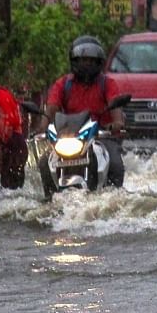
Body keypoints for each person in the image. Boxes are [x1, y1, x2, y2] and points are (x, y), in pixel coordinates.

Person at [35, 35, 125, 197]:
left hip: (101, 137)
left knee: (116, 165)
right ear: (74, 61)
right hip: (69, 137)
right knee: (44, 163)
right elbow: (52, 108)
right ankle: (50, 200)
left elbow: (116, 106)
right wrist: (42, 127)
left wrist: (116, 123)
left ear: (99, 62)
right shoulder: (63, 84)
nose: (87, 64)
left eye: (91, 60)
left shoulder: (107, 84)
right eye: (83, 60)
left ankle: (113, 199)